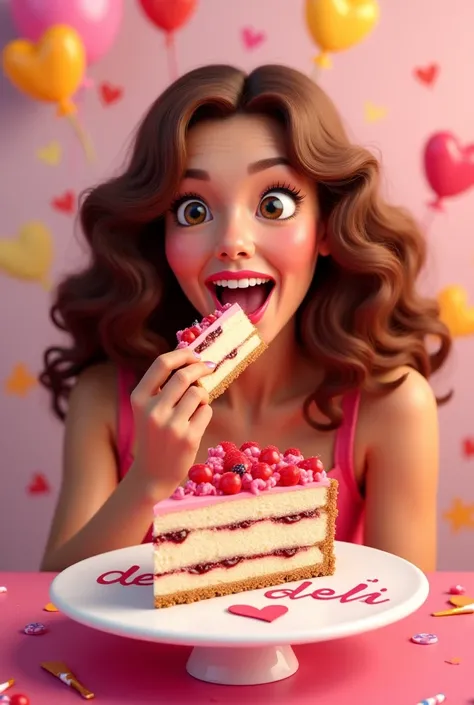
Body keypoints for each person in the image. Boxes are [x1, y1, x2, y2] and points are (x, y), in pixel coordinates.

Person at [39, 64, 451, 574]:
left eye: (273, 204)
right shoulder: (106, 399)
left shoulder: (391, 408)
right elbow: (52, 607)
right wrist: (147, 480)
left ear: (326, 229)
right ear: (160, 238)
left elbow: (403, 616)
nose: (232, 241)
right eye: (193, 210)